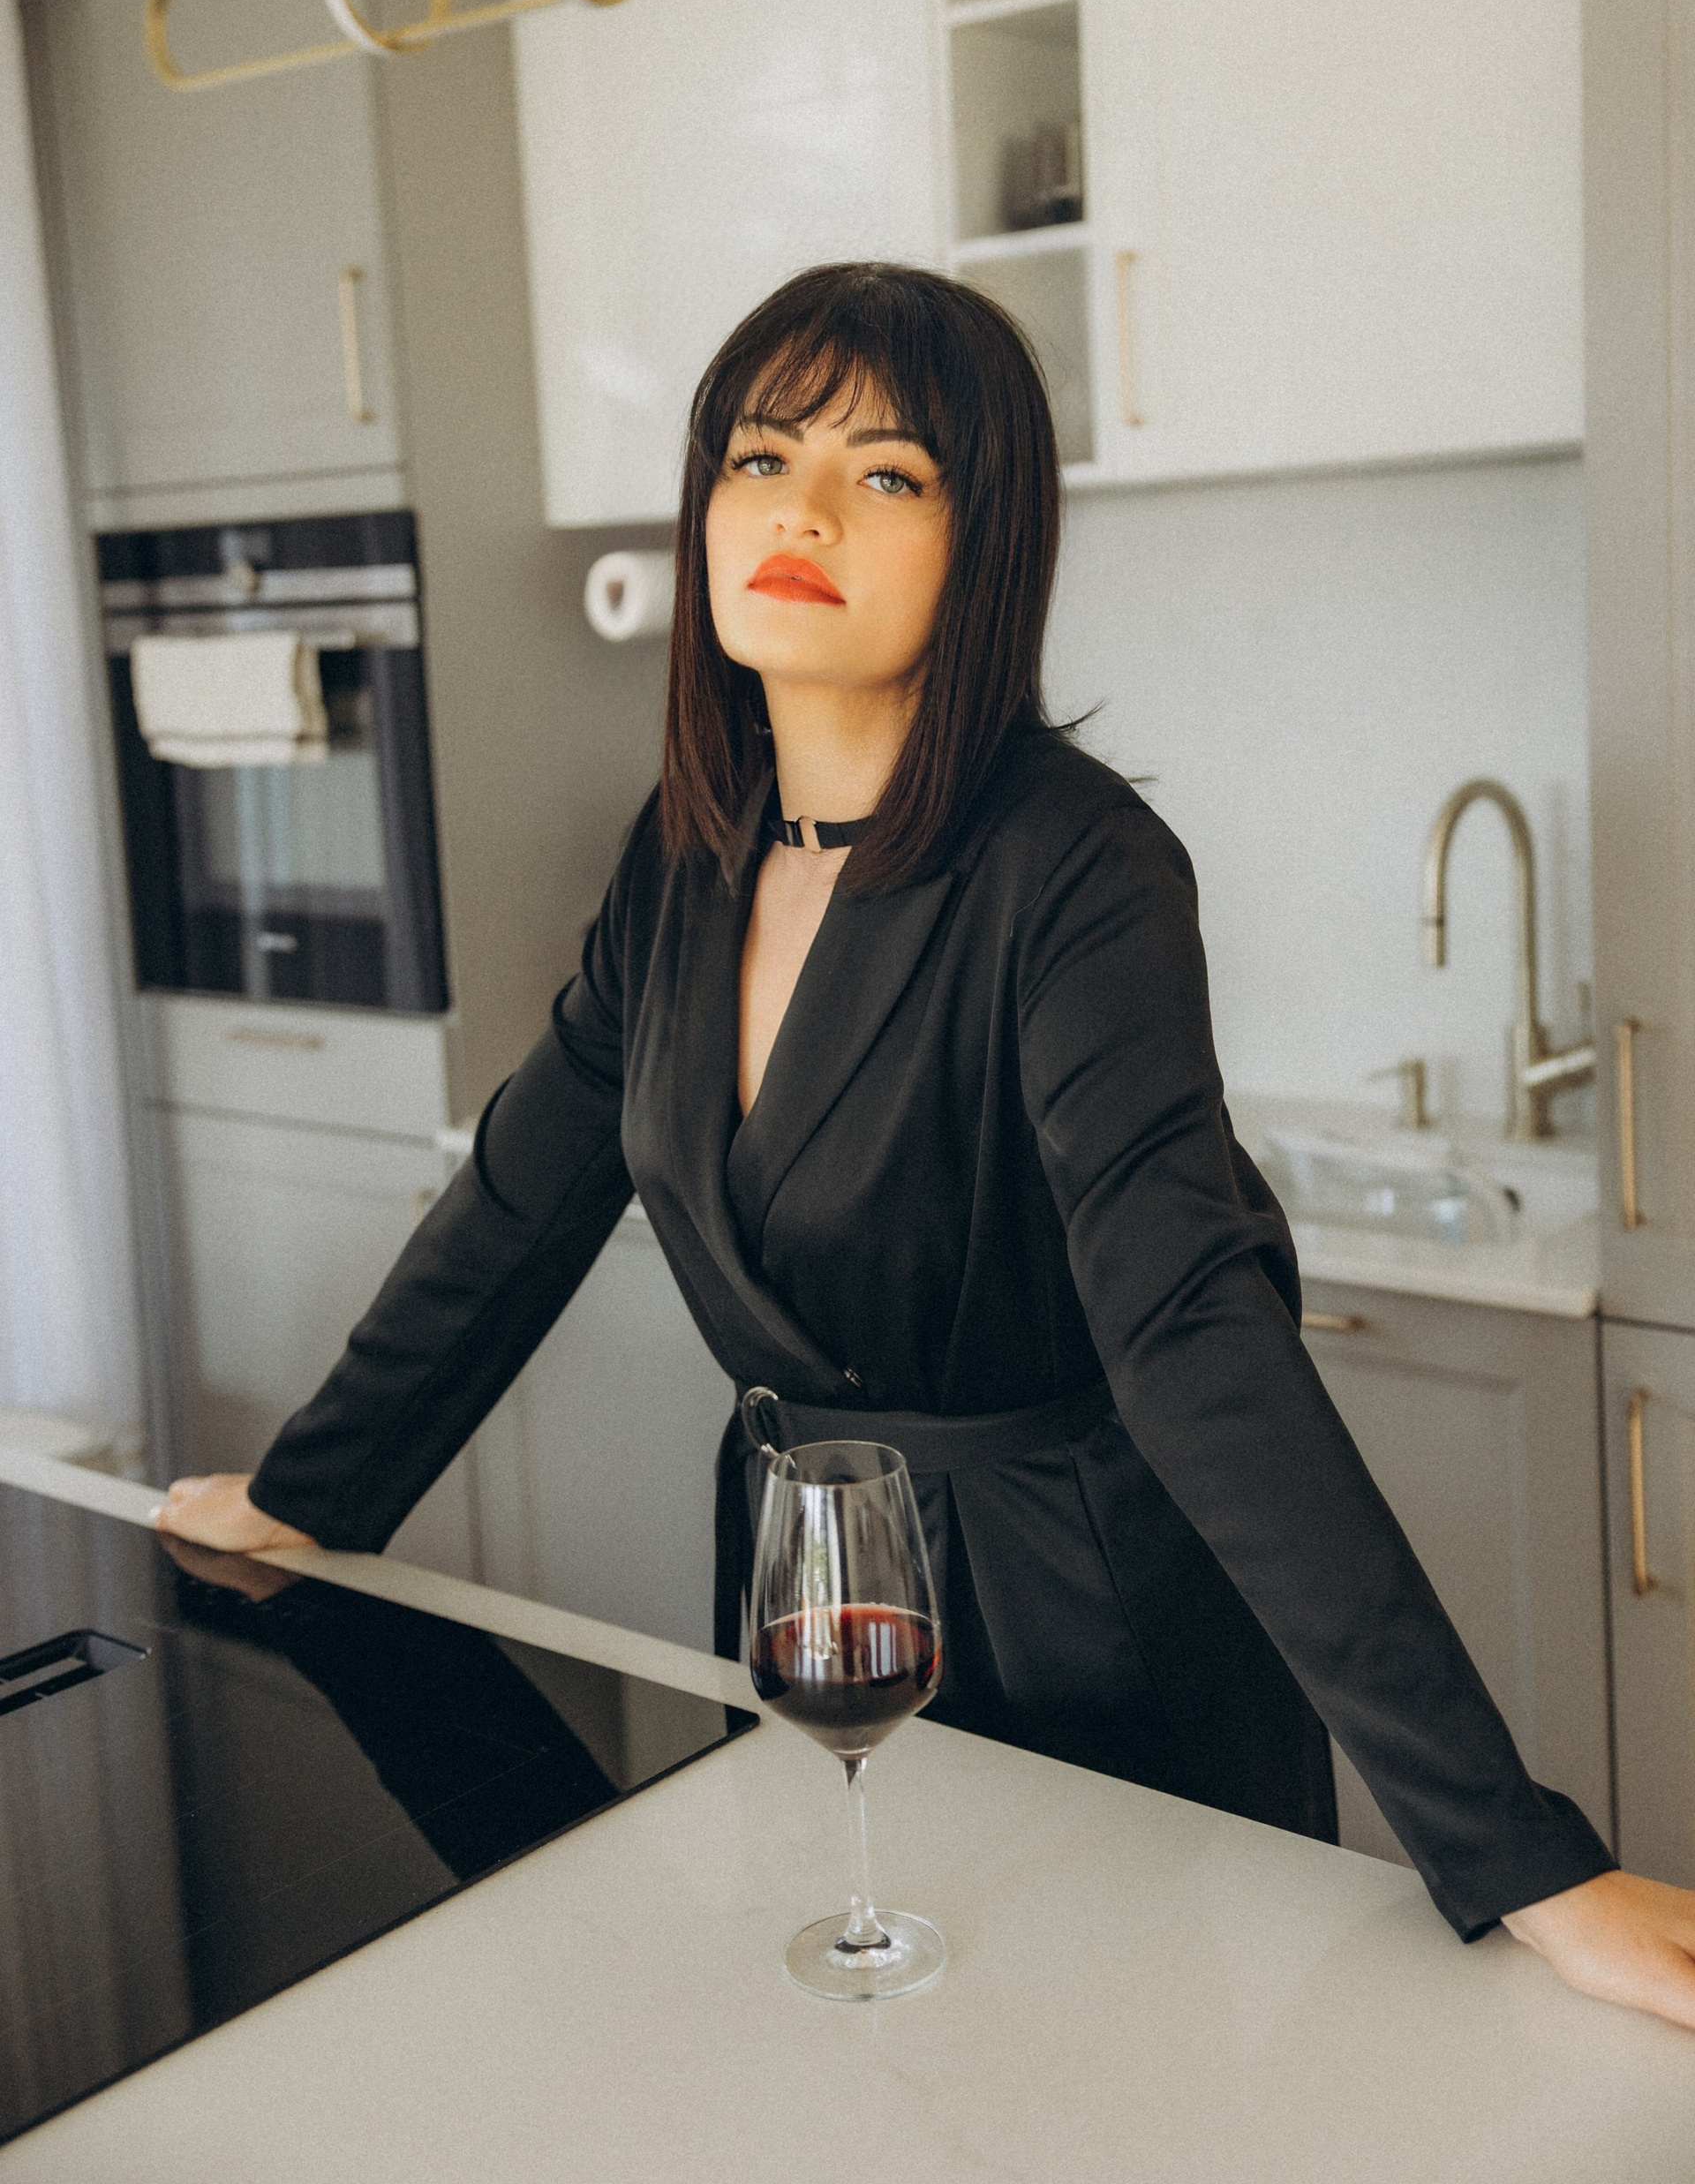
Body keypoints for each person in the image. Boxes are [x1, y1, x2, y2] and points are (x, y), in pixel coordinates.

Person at [156, 261, 1695, 2028]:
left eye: (886, 473)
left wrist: (1519, 1858)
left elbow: (1191, 1332)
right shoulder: (686, 854)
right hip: (815, 1596)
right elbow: (519, 1197)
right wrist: (311, 1492)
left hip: (1090, 1638)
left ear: (987, 547)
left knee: (1117, 2080)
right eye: (760, 457)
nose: (801, 508)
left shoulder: (1078, 867)